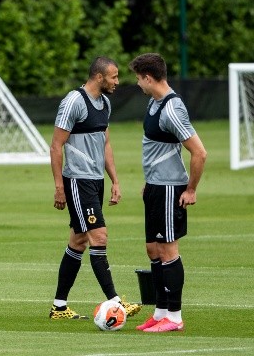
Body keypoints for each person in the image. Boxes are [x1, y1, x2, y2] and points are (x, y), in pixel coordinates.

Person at [49, 56, 142, 319]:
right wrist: (59, 187)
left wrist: (115, 180)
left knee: (78, 241)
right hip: (77, 181)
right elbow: (56, 146)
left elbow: (105, 143)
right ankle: (115, 302)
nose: (117, 81)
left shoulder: (105, 104)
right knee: (98, 237)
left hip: (95, 181)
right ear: (99, 77)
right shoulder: (73, 102)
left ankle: (58, 306)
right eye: (113, 76)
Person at [129, 53, 207, 332]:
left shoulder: (173, 109)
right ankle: (161, 311)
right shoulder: (154, 102)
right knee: (152, 249)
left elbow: (199, 153)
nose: (138, 84)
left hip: (169, 188)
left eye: (139, 79)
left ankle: (174, 317)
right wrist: (149, 182)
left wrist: (191, 190)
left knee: (168, 250)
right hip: (154, 186)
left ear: (148, 78)